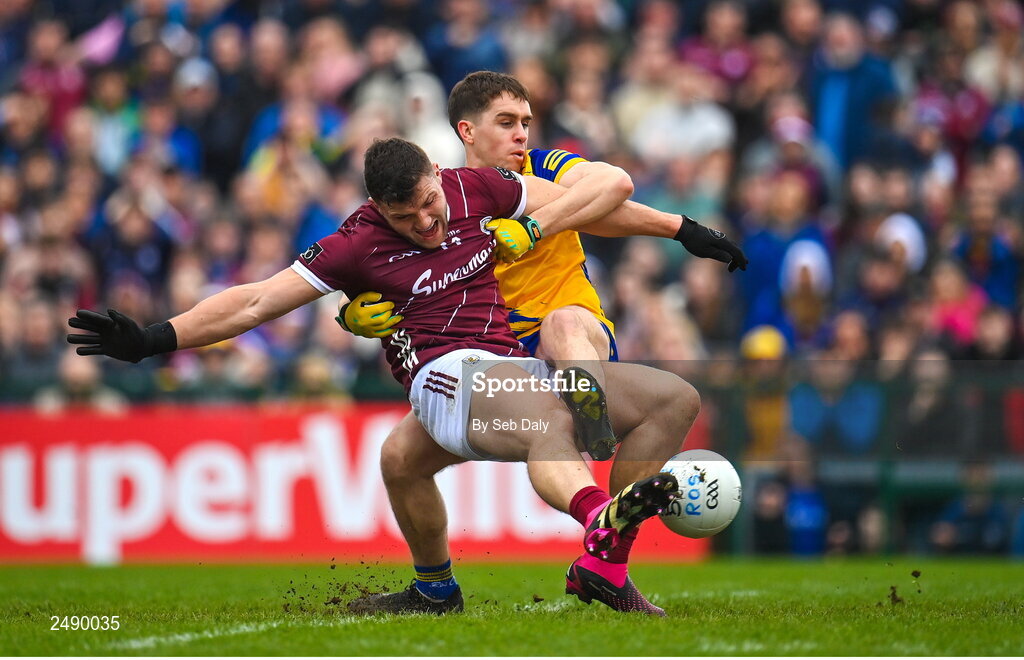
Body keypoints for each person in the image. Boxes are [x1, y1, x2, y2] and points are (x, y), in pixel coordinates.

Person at [68, 137, 704, 616]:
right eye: (406, 218)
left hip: (512, 366)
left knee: (674, 400)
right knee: (546, 423)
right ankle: (599, 517)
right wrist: (155, 338)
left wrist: (548, 226)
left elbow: (606, 191)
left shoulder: (475, 187)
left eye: (429, 204)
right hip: (445, 377)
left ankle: (533, 576)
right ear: (377, 208)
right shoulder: (355, 243)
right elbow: (257, 301)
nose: (427, 223)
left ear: (437, 175)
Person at [336, 72, 747, 614]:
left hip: (572, 342)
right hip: (498, 364)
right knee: (398, 458)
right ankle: (436, 589)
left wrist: (681, 229)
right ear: (467, 131)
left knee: (562, 328)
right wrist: (350, 315)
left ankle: (597, 487)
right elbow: (385, 263)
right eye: (506, 123)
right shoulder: (442, 197)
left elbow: (612, 192)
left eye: (526, 122)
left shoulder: (547, 169)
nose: (521, 134)